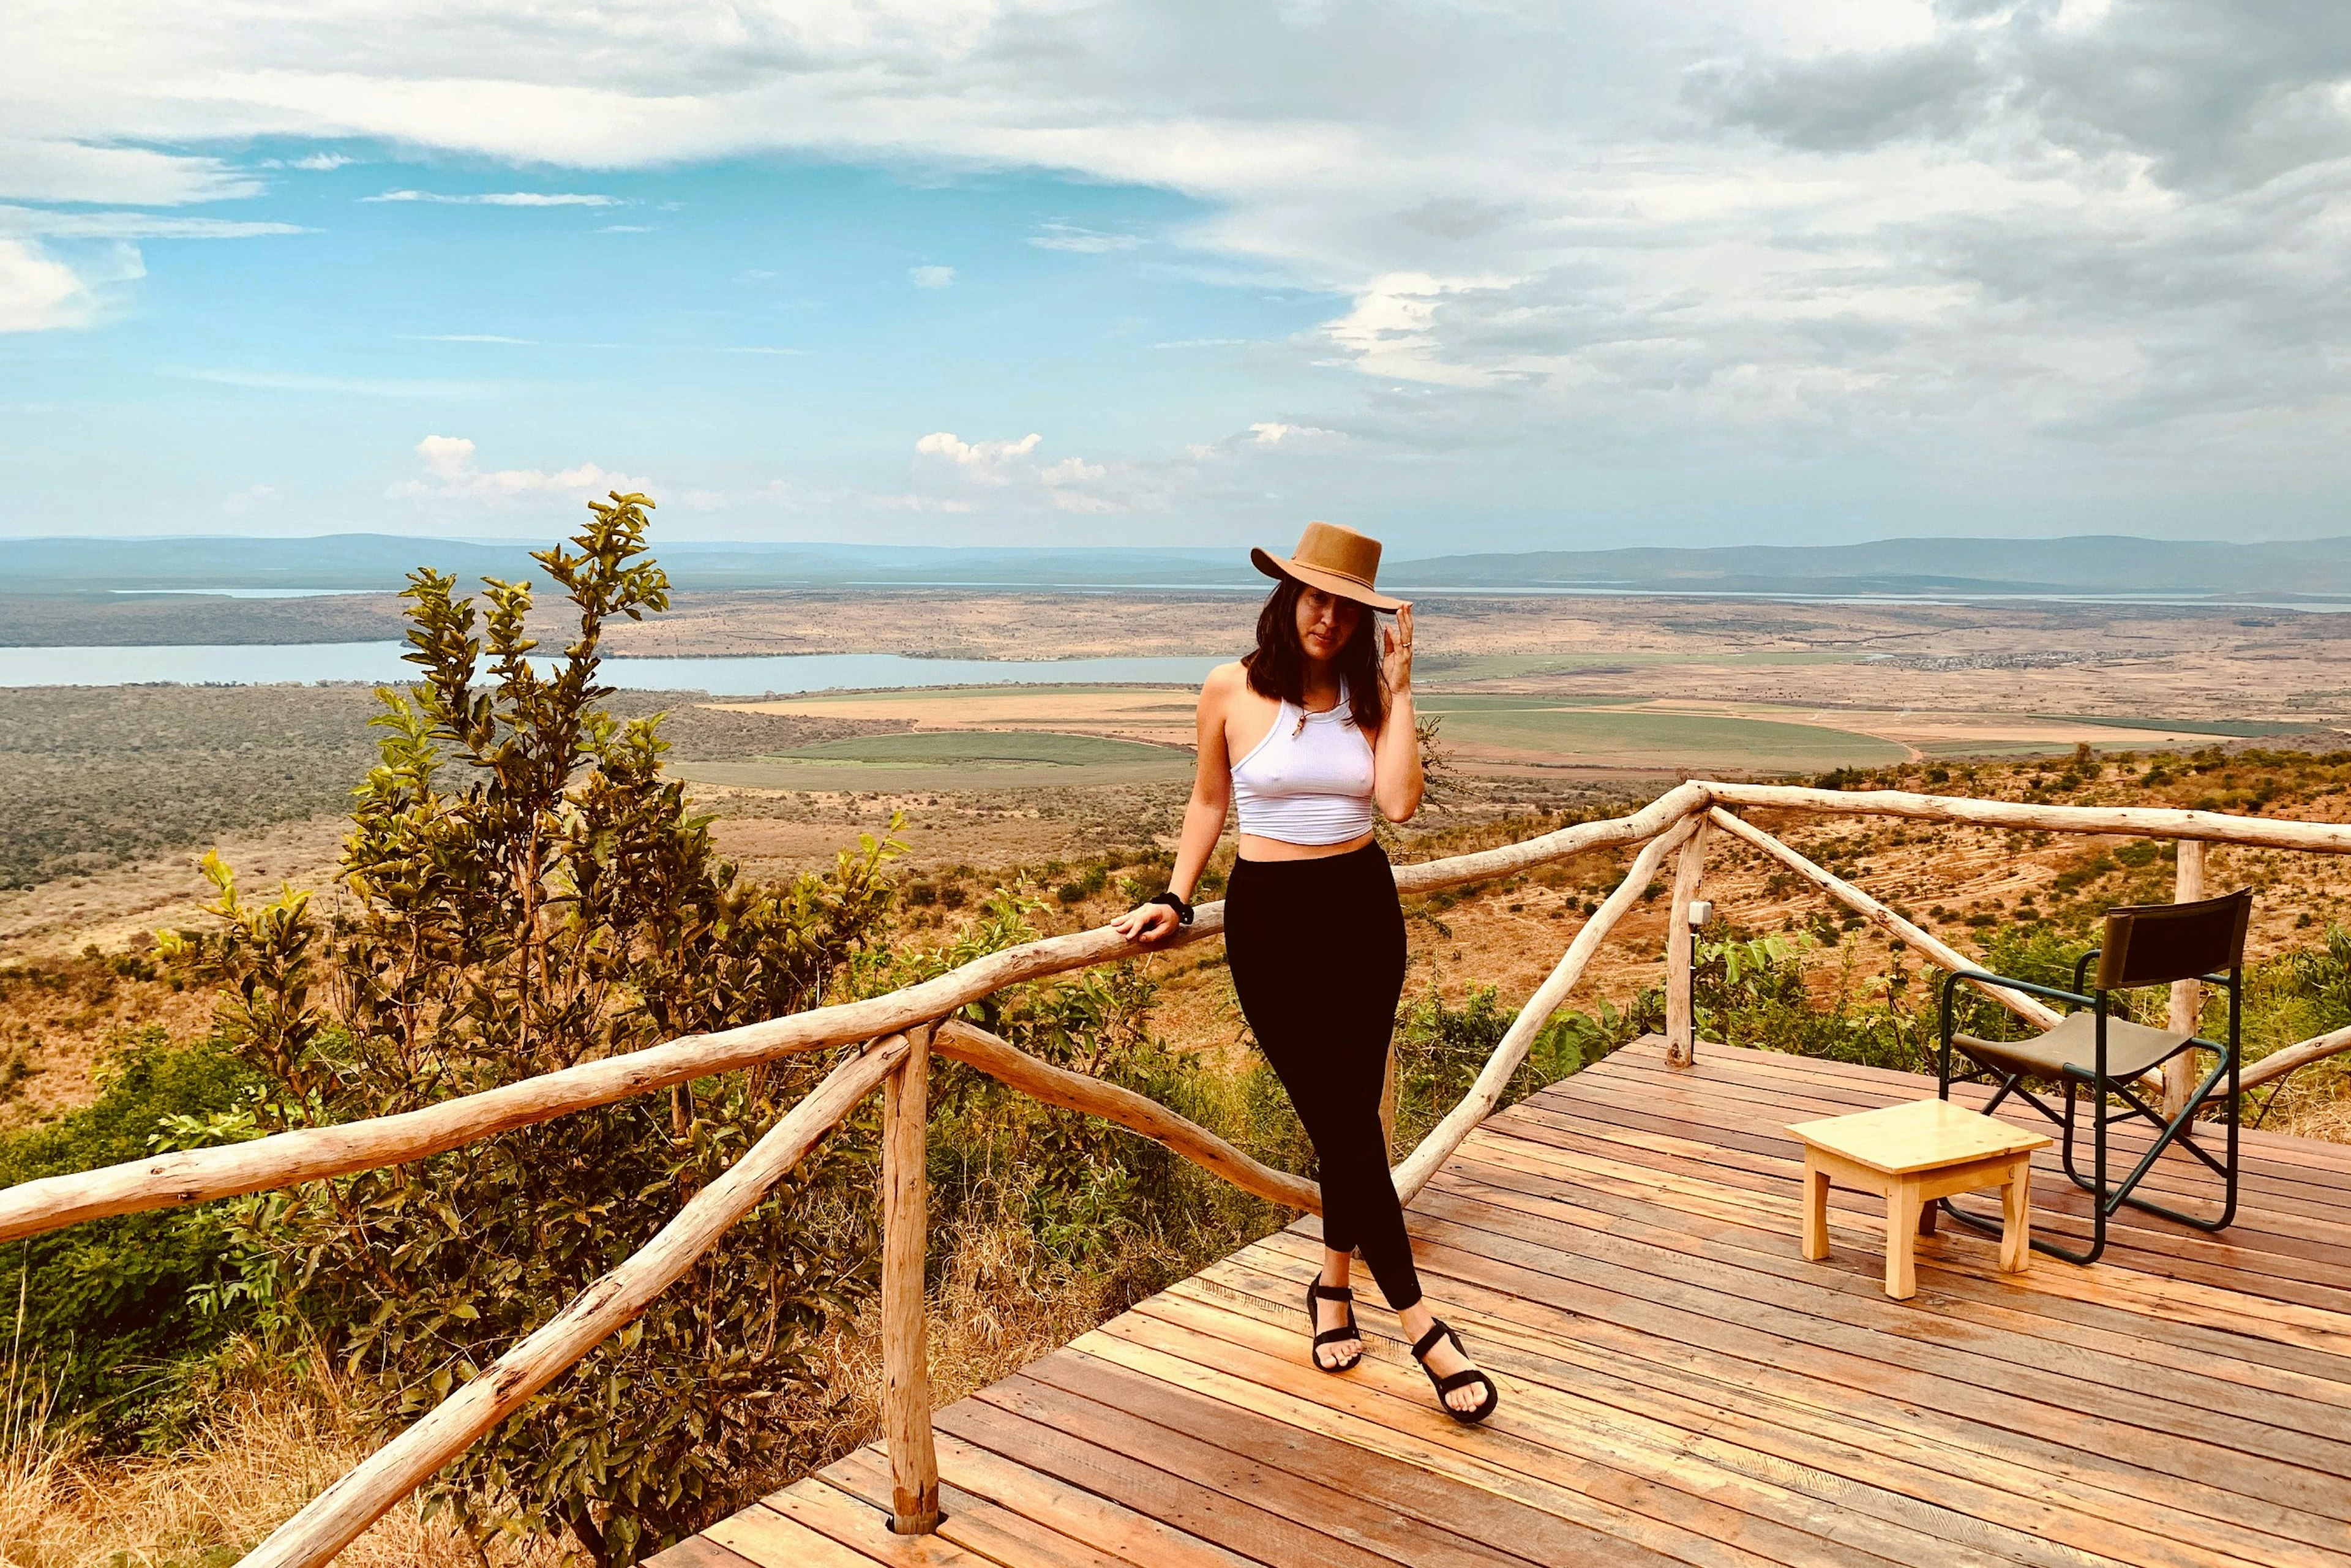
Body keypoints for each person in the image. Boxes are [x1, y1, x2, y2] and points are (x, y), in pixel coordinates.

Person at [1111, 520, 1499, 1425]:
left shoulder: (1368, 697)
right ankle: (1423, 1323)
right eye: (1314, 596)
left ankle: (1334, 1286)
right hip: (1270, 922)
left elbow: (1399, 802)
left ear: (1365, 622)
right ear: (1287, 597)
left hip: (1363, 914)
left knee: (1351, 1118)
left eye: (1346, 605)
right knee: (1340, 1118)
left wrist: (1401, 689)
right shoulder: (1229, 688)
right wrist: (1176, 894)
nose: (1326, 616)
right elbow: (1211, 797)